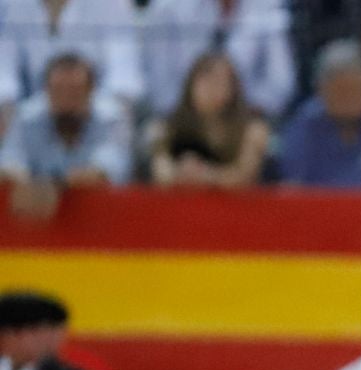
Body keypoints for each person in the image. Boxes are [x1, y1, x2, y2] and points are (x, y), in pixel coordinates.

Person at [0, 53, 133, 220]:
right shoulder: (26, 117)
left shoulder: (112, 118)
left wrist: (52, 185)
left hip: (100, 217)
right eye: (58, 90)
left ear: (91, 91)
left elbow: (106, 169)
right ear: (46, 90)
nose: (66, 100)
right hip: (35, 221)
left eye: (74, 91)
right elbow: (9, 162)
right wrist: (23, 179)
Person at [140, 0, 296, 123]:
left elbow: (280, 83)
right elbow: (160, 90)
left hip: (245, 121)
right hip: (180, 122)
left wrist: (236, 114)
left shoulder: (267, 4)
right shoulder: (166, 7)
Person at [277, 39, 361, 187]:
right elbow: (294, 184)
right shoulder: (304, 124)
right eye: (341, 91)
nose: (349, 99)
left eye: (355, 89)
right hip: (321, 208)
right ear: (321, 90)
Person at [0, 0, 144, 122]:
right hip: (34, 117)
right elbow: (4, 69)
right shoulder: (12, 4)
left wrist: (99, 113)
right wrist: (8, 106)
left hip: (97, 114)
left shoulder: (113, 3)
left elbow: (124, 75)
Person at [147, 50, 271, 188]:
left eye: (220, 81)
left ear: (234, 87)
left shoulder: (253, 130)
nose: (212, 88)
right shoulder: (165, 128)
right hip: (181, 206)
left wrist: (207, 174)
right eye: (206, 80)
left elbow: (244, 177)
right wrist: (182, 172)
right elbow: (161, 175)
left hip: (235, 208)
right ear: (190, 84)